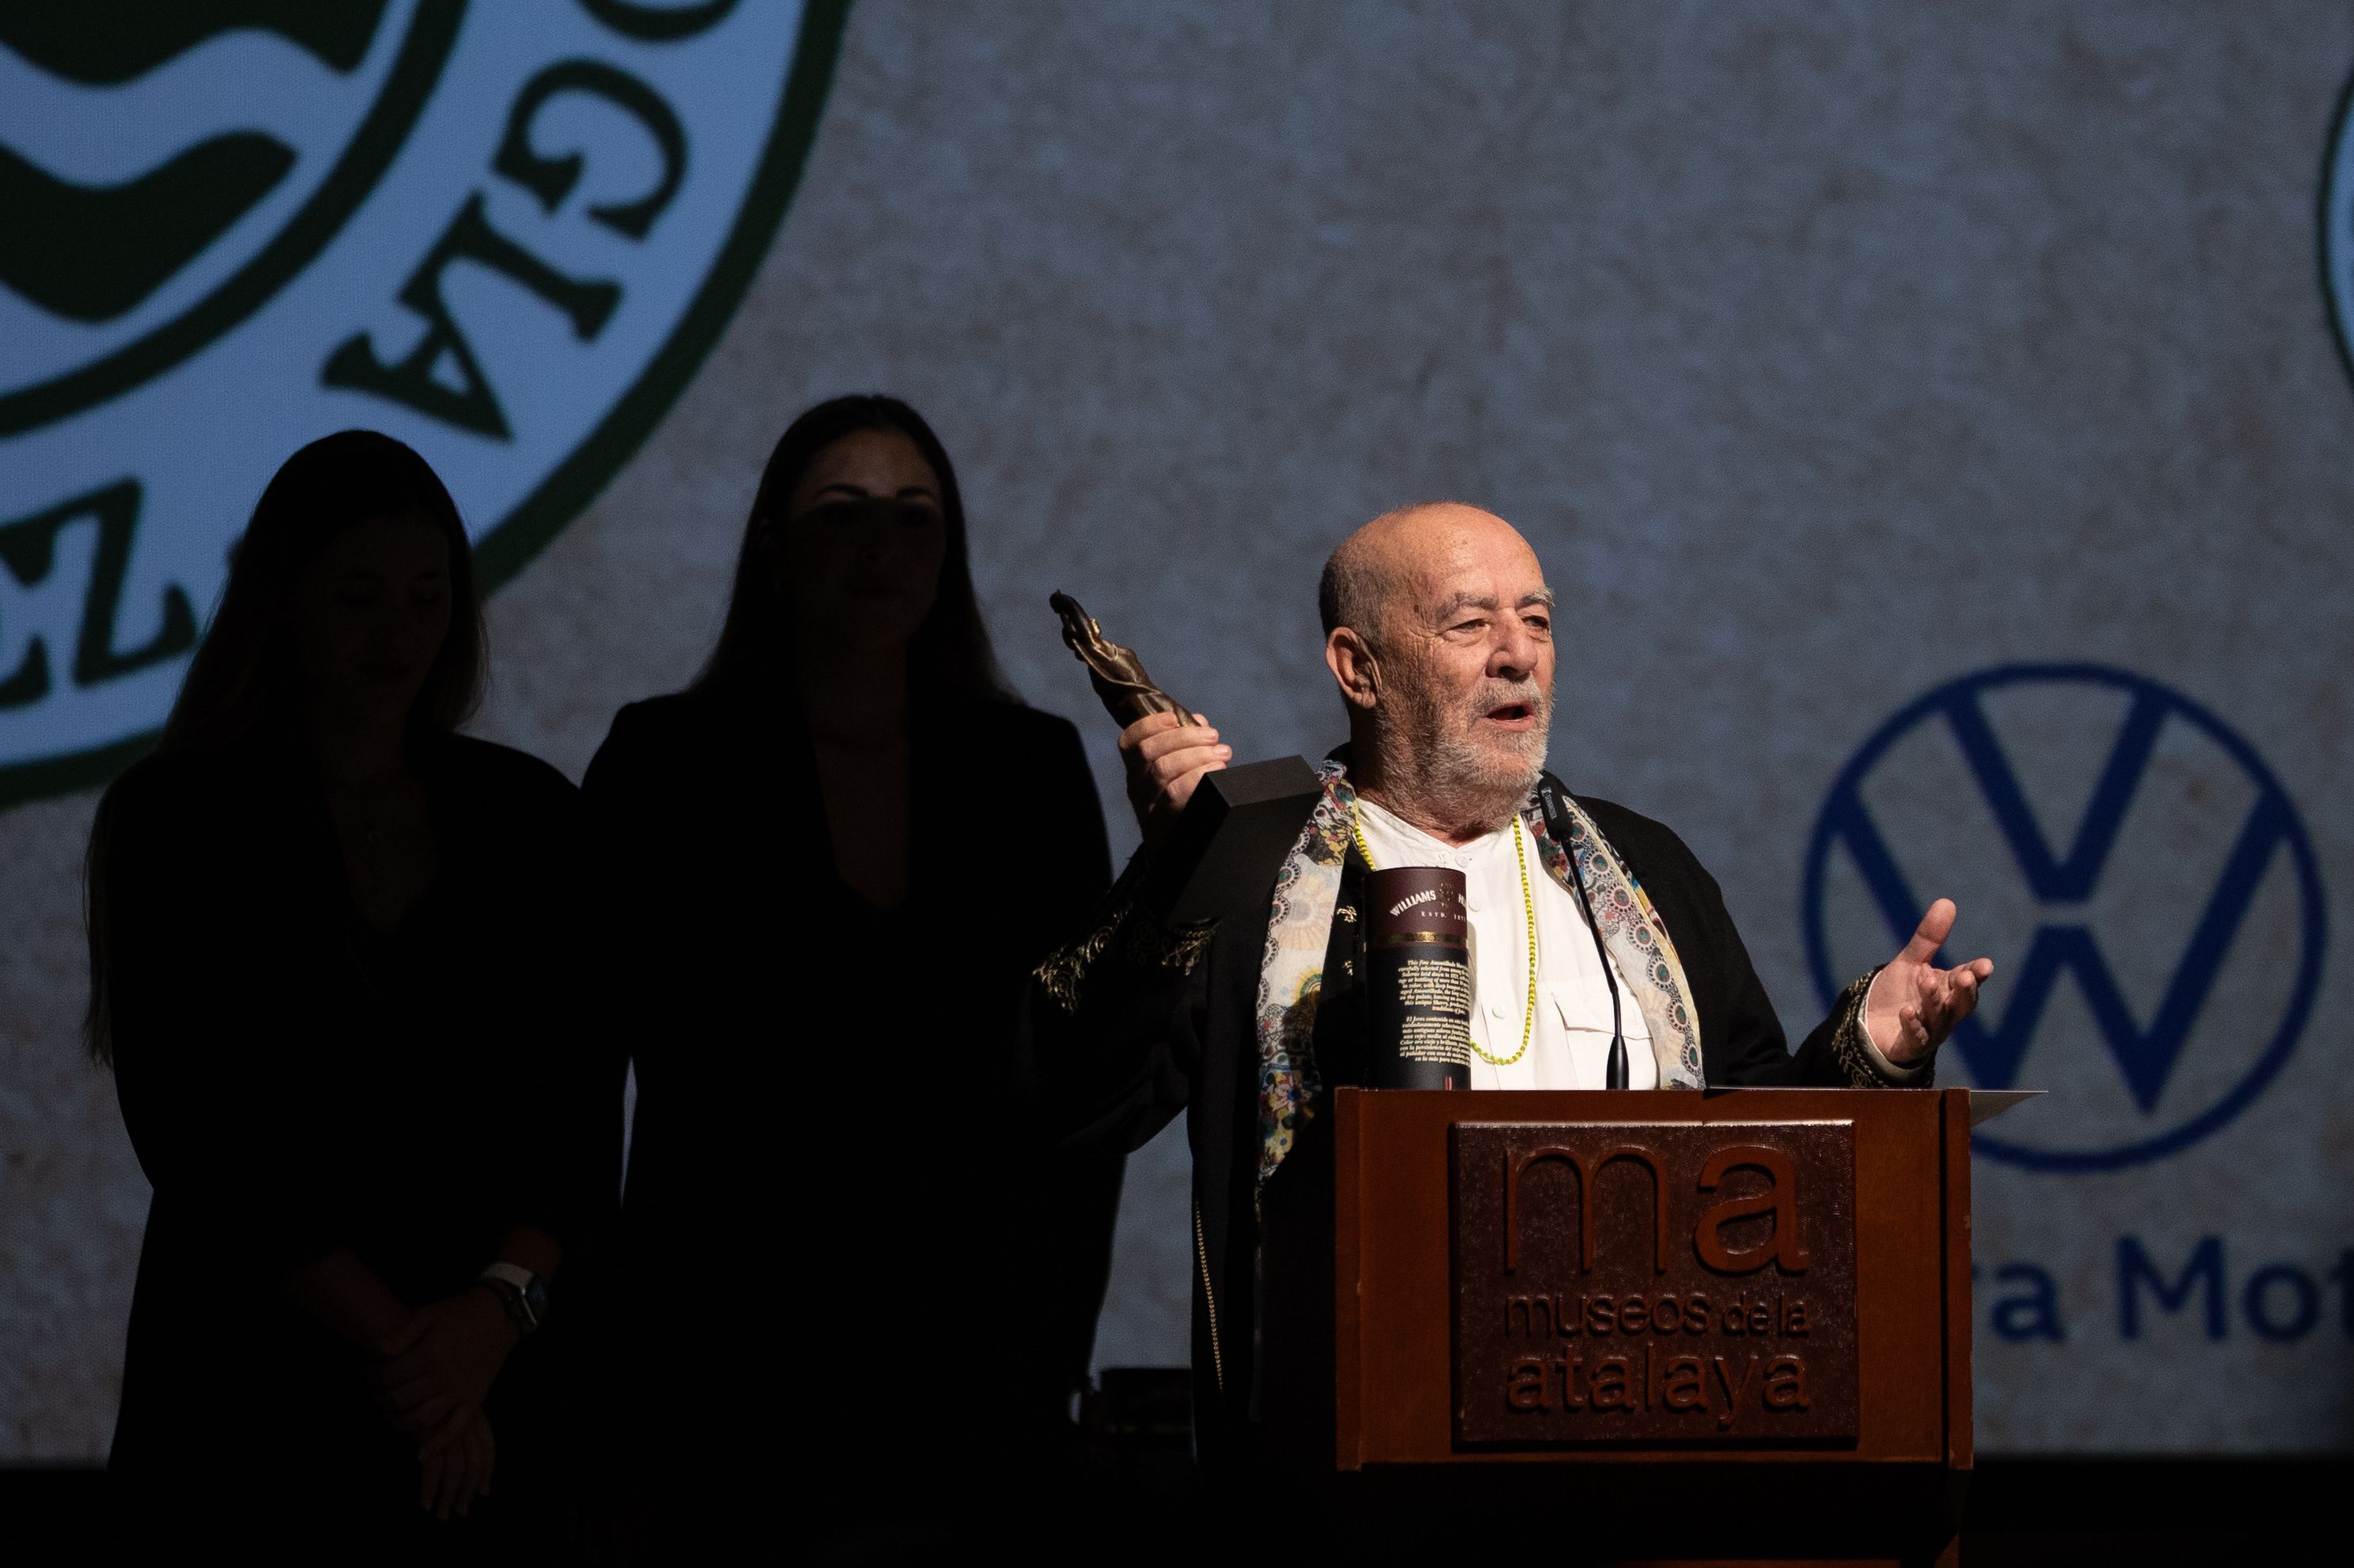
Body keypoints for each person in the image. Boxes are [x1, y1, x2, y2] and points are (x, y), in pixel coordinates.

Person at [1027, 501, 1995, 1468]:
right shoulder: (1252, 876)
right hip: (1359, 1454)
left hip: (1642, 1430)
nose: (1517, 653)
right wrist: (1172, 870)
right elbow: (1067, 1101)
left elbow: (1751, 1163)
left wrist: (1869, 1047)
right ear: (1359, 668)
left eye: (1536, 618)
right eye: (1469, 622)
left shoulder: (1646, 870)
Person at [584, 395, 1116, 1551]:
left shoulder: (1030, 771)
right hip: (713, 1363)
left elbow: (1078, 1084)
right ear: (773, 545)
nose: (882, 544)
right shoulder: (662, 763)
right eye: (842, 510)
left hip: (975, 1366)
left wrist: (1049, 1353)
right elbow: (577, 1073)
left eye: (915, 514)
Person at [86, 431, 618, 1553]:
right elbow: (202, 1135)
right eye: (359, 597)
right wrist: (424, 1363)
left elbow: (577, 1118)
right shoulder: (175, 822)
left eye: (428, 595)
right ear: (280, 604)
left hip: (501, 1394)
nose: (399, 633)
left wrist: (492, 1317)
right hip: (249, 1400)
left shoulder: (532, 817)